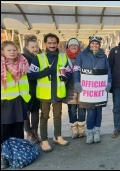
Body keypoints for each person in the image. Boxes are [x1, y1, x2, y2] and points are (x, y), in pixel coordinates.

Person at [28, 33, 72, 152]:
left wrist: (66, 76)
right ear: (45, 44)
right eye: (49, 43)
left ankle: (58, 136)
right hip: (44, 94)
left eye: (54, 43)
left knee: (58, 116)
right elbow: (31, 75)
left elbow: (69, 71)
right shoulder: (39, 57)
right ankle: (44, 140)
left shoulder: (63, 56)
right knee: (44, 117)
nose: (52, 45)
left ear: (57, 43)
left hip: (58, 92)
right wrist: (45, 72)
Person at [73, 35, 112, 144]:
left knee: (98, 111)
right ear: (89, 44)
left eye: (97, 44)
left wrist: (109, 83)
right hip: (87, 89)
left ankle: (97, 131)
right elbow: (76, 69)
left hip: (99, 89)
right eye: (92, 43)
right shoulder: (82, 55)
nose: (94, 45)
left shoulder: (103, 56)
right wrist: (76, 82)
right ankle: (90, 132)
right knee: (90, 111)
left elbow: (108, 71)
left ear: (99, 45)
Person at [1, 41, 30, 169]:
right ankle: (4, 157)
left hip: (20, 100)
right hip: (5, 103)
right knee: (4, 131)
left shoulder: (22, 63)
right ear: (2, 52)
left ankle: (17, 156)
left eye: (14, 49)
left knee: (18, 130)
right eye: (9, 50)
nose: (13, 52)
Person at [63, 38, 87, 139]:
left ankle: (81, 129)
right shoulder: (64, 58)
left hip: (82, 87)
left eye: (75, 45)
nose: (73, 47)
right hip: (69, 88)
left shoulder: (83, 57)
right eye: (71, 45)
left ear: (78, 47)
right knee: (72, 110)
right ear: (68, 47)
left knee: (82, 109)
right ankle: (74, 129)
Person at [22, 35, 41, 144]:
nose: (35, 49)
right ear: (27, 47)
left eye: (36, 47)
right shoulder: (23, 58)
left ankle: (35, 132)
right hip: (26, 89)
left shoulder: (39, 57)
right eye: (32, 47)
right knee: (26, 112)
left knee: (35, 111)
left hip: (37, 89)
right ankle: (28, 133)